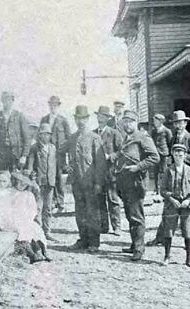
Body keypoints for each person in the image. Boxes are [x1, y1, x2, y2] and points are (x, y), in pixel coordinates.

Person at [148, 110, 190, 247]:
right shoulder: (173, 138)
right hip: (173, 178)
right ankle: (160, 237)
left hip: (187, 179)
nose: (178, 125)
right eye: (176, 123)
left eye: (181, 122)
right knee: (168, 209)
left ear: (185, 123)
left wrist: (184, 158)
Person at [116, 110, 159, 261]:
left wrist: (138, 167)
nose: (127, 124)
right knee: (130, 215)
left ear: (136, 122)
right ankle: (134, 244)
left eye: (130, 121)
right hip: (125, 182)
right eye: (125, 121)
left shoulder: (143, 137)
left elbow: (154, 157)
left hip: (136, 182)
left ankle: (139, 249)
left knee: (137, 216)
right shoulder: (126, 138)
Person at [0, 170, 51, 263]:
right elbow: (3, 208)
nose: (22, 185)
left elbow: (32, 210)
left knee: (34, 228)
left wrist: (27, 218)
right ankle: (31, 253)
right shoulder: (9, 192)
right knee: (22, 229)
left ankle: (39, 250)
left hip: (23, 219)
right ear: (15, 181)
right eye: (20, 182)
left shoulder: (28, 195)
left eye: (25, 183)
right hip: (9, 219)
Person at [65, 105, 108, 253]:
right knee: (80, 212)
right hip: (77, 183)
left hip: (91, 183)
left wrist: (98, 183)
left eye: (83, 118)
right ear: (75, 119)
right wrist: (65, 166)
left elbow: (101, 163)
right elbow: (59, 152)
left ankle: (94, 243)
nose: (80, 121)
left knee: (92, 212)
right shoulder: (72, 138)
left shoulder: (94, 138)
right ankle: (83, 239)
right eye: (78, 118)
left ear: (87, 119)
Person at [161, 144, 190, 268]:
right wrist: (171, 198)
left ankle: (189, 258)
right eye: (176, 155)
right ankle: (167, 256)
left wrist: (188, 200)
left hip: (186, 205)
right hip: (171, 205)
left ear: (184, 156)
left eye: (181, 155)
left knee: (187, 231)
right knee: (168, 230)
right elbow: (162, 189)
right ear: (173, 155)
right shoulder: (168, 170)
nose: (178, 157)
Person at [0, 91, 31, 187]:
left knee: (16, 181)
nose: (7, 102)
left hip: (16, 155)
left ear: (13, 101)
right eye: (4, 100)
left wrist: (24, 156)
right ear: (2, 101)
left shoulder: (19, 116)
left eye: (9, 100)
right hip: (0, 155)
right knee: (1, 180)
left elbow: (27, 138)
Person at [94, 106, 124, 236]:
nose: (101, 118)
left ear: (107, 119)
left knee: (113, 200)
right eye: (99, 116)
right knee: (99, 200)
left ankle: (116, 226)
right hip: (97, 173)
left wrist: (110, 156)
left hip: (110, 171)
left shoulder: (114, 133)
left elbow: (122, 151)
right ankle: (104, 226)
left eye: (104, 116)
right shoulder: (93, 133)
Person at [24, 123, 57, 241]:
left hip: (50, 182)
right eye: (43, 134)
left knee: (48, 208)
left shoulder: (53, 148)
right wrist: (32, 177)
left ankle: (47, 231)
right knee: (37, 208)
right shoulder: (34, 148)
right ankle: (37, 232)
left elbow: (55, 166)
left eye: (48, 134)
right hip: (38, 182)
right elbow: (30, 165)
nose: (46, 137)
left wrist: (55, 181)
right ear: (40, 135)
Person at [39, 95, 71, 212]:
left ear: (58, 106)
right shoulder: (44, 119)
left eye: (55, 105)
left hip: (58, 154)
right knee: (48, 178)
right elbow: (39, 135)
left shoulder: (63, 120)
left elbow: (68, 138)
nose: (52, 107)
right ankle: (51, 202)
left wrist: (66, 154)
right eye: (51, 105)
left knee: (58, 178)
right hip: (46, 154)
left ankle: (61, 203)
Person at [151, 114, 173, 195]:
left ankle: (165, 188)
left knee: (164, 171)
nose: (154, 122)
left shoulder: (167, 131)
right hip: (155, 154)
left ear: (161, 121)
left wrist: (170, 155)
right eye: (154, 121)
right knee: (155, 171)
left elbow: (170, 143)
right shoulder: (153, 131)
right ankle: (156, 188)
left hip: (164, 154)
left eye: (156, 120)